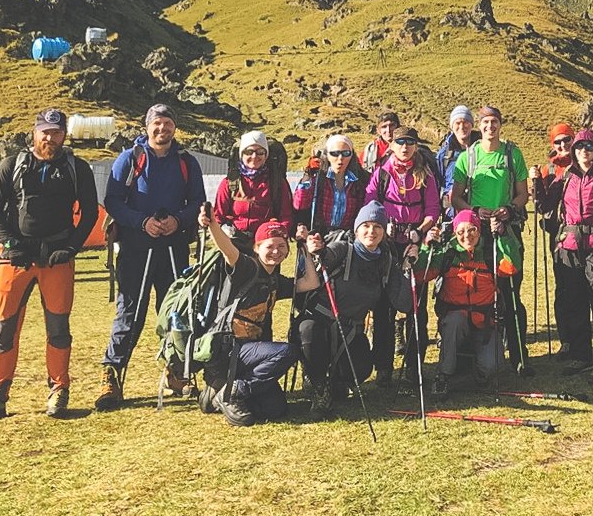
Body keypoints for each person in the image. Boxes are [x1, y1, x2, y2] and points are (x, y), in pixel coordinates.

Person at [0, 109, 97, 422]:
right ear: (34, 132)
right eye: (44, 132)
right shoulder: (12, 165)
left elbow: (90, 213)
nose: (49, 138)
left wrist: (70, 247)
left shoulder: (77, 168)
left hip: (56, 260)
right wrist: (11, 245)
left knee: (58, 329)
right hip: (16, 259)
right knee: (4, 329)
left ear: (64, 134)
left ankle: (59, 391)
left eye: (55, 132)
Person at [97, 104, 207, 409]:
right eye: (157, 123)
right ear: (147, 127)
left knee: (176, 312)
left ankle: (177, 372)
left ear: (175, 127)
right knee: (129, 314)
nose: (163, 129)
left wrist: (179, 220)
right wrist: (141, 222)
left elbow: (197, 200)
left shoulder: (187, 162)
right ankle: (112, 376)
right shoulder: (129, 159)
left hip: (174, 249)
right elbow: (113, 200)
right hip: (136, 249)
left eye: (168, 123)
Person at [195, 213, 319, 426]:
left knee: (276, 409)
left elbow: (311, 283)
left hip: (250, 353)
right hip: (228, 348)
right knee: (287, 351)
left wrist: (303, 247)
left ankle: (218, 390)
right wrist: (212, 224)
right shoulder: (246, 268)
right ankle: (234, 390)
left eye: (281, 246)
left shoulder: (274, 280)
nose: (276, 251)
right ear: (256, 247)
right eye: (269, 246)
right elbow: (227, 249)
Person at [296, 201, 412, 418]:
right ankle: (319, 387)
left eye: (377, 226)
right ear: (357, 229)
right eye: (366, 226)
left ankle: (334, 382)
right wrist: (316, 249)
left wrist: (408, 266)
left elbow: (405, 303)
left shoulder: (385, 260)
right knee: (309, 332)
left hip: (350, 329)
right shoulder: (343, 249)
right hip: (319, 320)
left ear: (384, 231)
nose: (371, 231)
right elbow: (326, 256)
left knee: (360, 370)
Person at [450, 105, 531, 374]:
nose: (489, 127)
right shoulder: (467, 157)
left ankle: (519, 355)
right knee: (477, 292)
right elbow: (456, 197)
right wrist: (475, 212)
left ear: (500, 124)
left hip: (507, 230)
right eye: (485, 122)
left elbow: (523, 194)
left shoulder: (512, 153)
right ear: (479, 126)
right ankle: (479, 354)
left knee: (510, 292)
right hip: (476, 233)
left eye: (494, 122)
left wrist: (508, 210)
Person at [539, 129, 593, 383]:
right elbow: (544, 206)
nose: (584, 151)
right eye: (579, 147)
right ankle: (581, 354)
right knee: (574, 299)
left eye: (589, 147)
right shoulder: (566, 177)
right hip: (569, 244)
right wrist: (535, 183)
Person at [366, 125, 440, 383]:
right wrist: (379, 223)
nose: (405, 147)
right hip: (386, 246)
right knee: (383, 308)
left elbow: (433, 209)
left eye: (410, 142)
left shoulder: (426, 175)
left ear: (416, 146)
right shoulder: (381, 174)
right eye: (400, 142)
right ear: (392, 146)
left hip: (414, 245)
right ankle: (383, 366)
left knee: (416, 308)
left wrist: (419, 233)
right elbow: (370, 203)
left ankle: (413, 365)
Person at [415, 209, 520, 393]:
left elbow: (511, 267)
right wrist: (426, 246)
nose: (467, 236)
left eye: (472, 230)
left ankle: (474, 372)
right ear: (455, 234)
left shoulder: (490, 252)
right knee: (454, 321)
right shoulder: (447, 253)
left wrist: (503, 236)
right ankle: (444, 375)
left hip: (485, 323)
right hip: (456, 321)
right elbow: (422, 275)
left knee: (491, 367)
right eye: (461, 232)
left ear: (479, 230)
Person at [531, 121, 577, 358]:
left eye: (566, 140)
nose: (562, 145)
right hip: (558, 235)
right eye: (557, 142)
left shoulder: (585, 163)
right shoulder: (550, 171)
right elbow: (542, 206)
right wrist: (537, 182)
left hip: (583, 233)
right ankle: (567, 340)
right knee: (564, 289)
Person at [212, 130, 294, 244]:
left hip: (266, 244)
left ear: (266, 156)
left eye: (260, 152)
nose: (254, 156)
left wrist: (279, 234)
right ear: (241, 155)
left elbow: (286, 216)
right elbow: (217, 217)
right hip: (234, 243)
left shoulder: (277, 184)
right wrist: (223, 230)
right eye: (249, 152)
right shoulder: (229, 183)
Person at [294, 134, 366, 235]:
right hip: (319, 236)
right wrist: (308, 175)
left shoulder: (359, 181)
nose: (340, 158)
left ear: (352, 155)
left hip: (346, 239)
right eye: (334, 153)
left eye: (346, 153)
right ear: (326, 155)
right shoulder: (318, 178)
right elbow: (300, 204)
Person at [435, 106, 480, 220]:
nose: (462, 127)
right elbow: (437, 185)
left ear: (472, 124)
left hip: (479, 210)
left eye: (466, 122)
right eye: (457, 123)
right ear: (452, 126)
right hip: (452, 214)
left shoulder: (483, 150)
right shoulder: (444, 155)